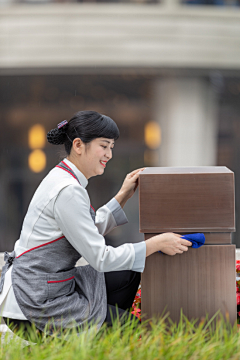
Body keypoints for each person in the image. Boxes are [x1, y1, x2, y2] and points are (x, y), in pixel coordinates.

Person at [0, 110, 192, 339]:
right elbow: (101, 258)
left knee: (128, 275)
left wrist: (122, 196)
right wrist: (156, 243)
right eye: (104, 146)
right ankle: (101, 335)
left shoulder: (64, 178)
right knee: (129, 328)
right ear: (79, 145)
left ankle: (100, 335)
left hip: (44, 287)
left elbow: (85, 231)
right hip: (35, 301)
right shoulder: (67, 190)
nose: (109, 154)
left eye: (111, 147)